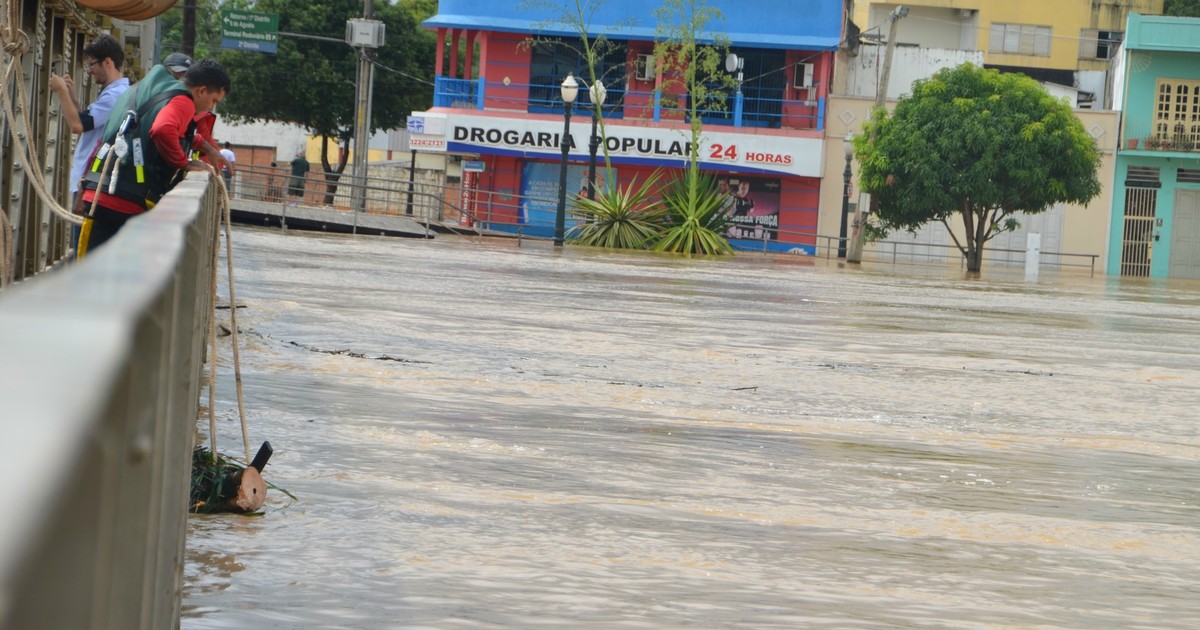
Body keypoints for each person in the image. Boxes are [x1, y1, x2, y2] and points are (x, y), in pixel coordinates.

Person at [78, 59, 231, 252]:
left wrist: (205, 146)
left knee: (91, 273)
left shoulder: (137, 91)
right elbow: (163, 129)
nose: (210, 108)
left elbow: (109, 136)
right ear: (201, 91)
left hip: (98, 191)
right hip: (126, 201)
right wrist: (184, 163)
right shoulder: (184, 102)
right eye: (213, 101)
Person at [47, 34, 130, 247]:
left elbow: (77, 126)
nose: (90, 70)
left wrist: (61, 92)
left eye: (93, 64)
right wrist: (72, 97)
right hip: (93, 181)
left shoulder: (114, 96)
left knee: (83, 248)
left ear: (108, 62)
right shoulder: (118, 92)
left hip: (90, 182)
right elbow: (88, 122)